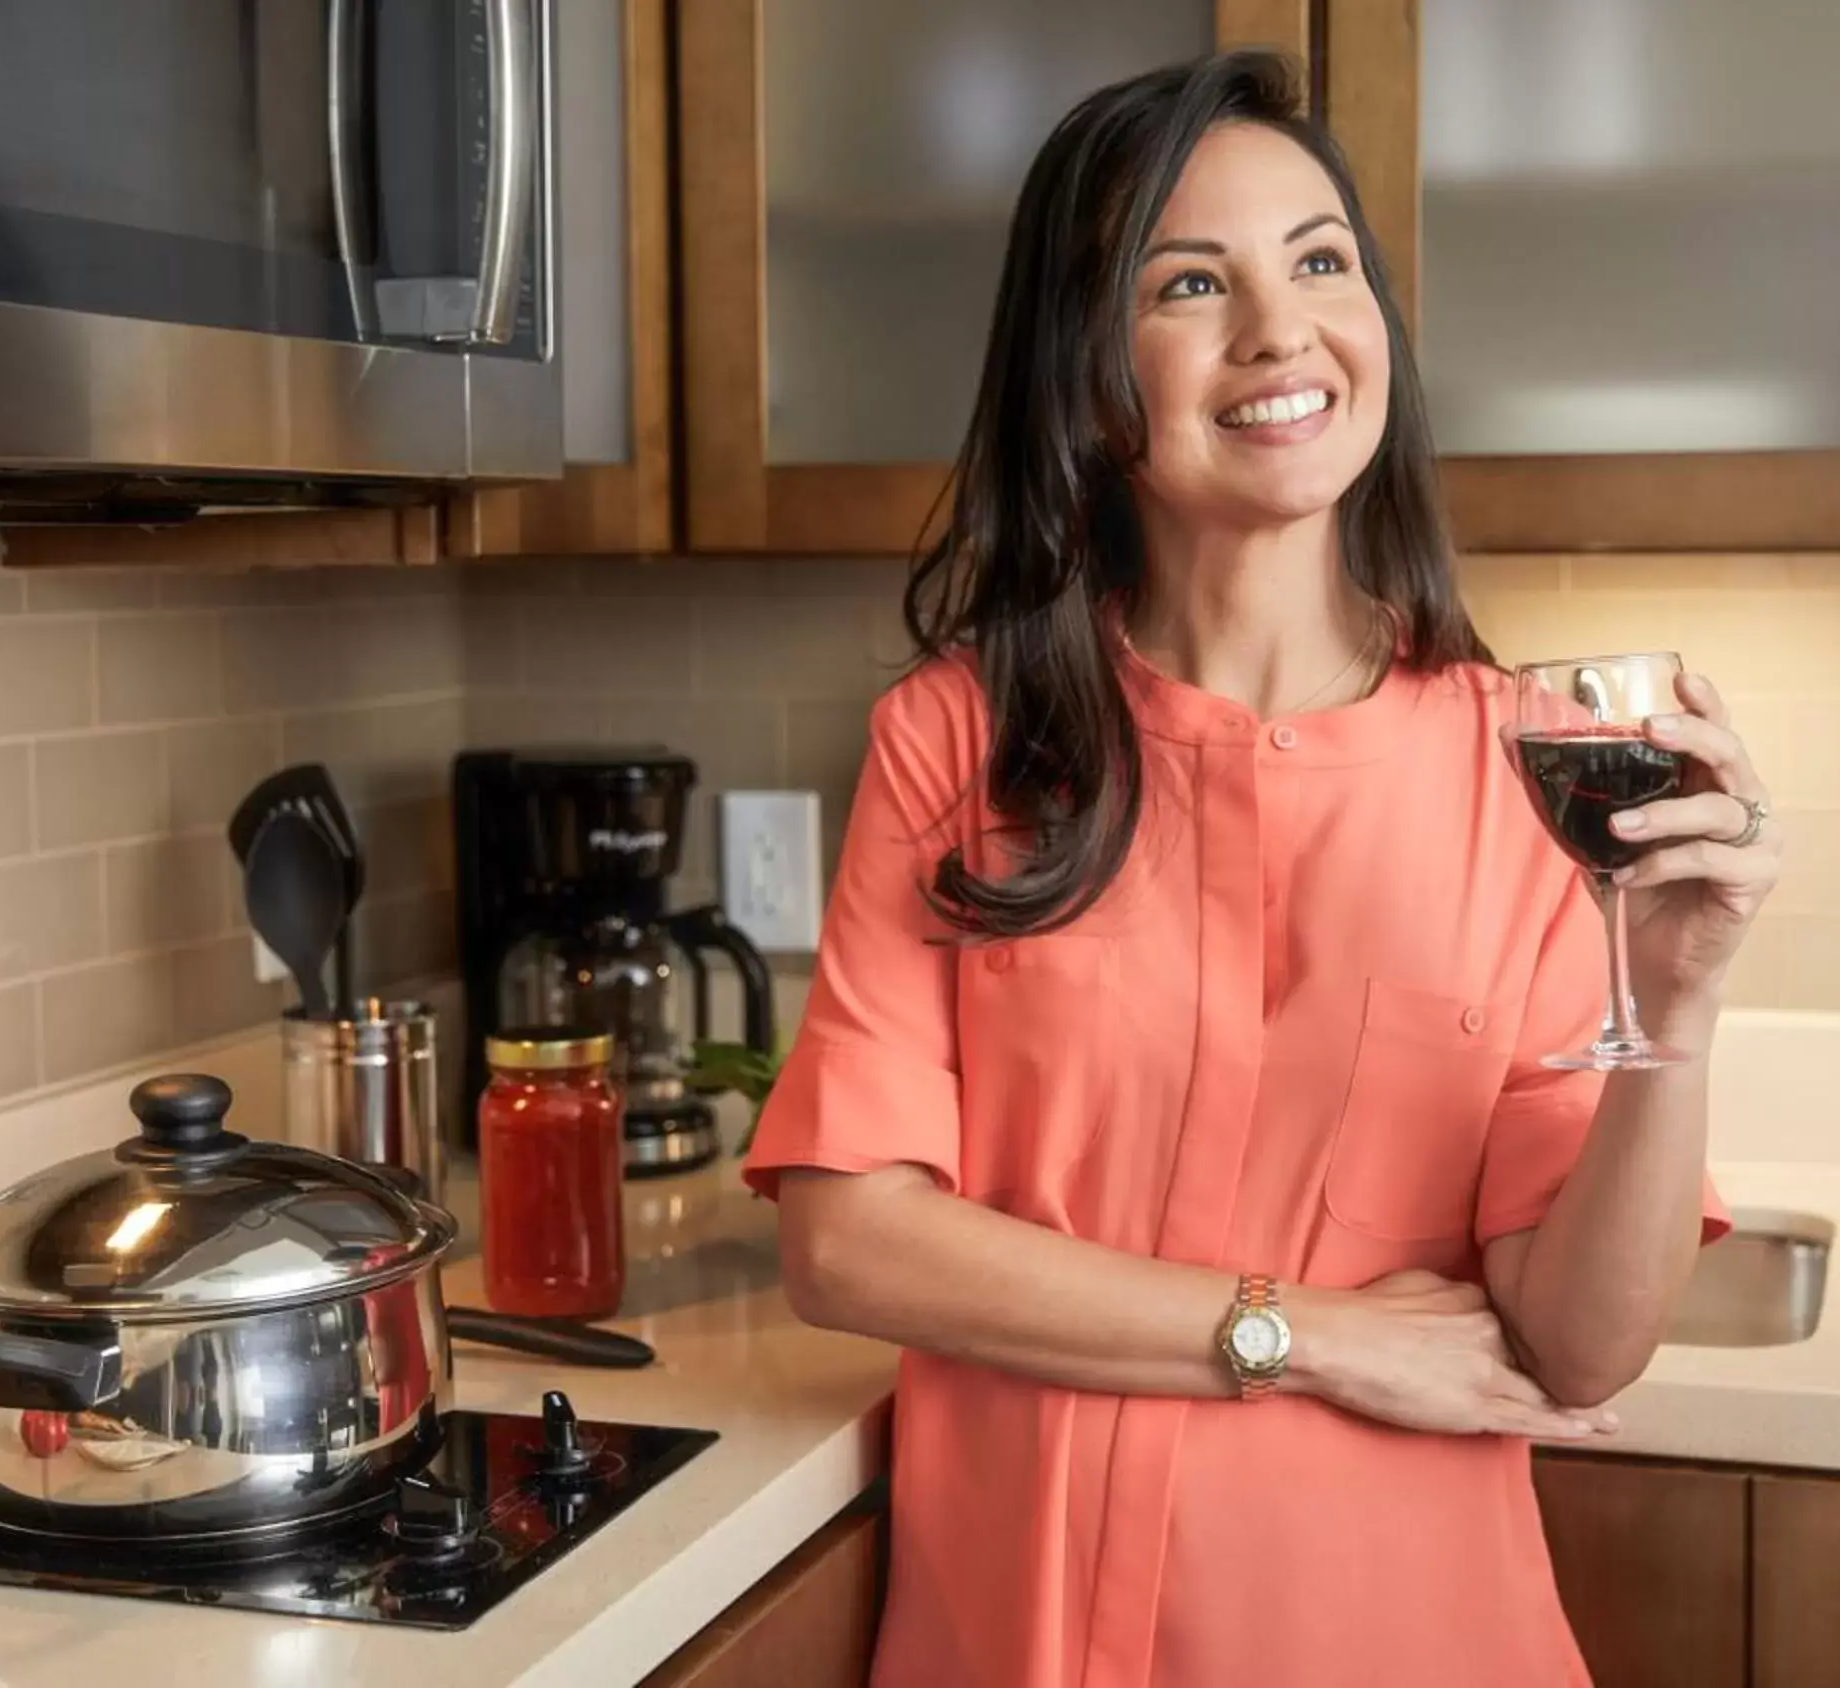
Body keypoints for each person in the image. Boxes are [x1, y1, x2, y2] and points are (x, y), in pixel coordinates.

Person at [742, 50, 1783, 1687]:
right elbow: (847, 1244)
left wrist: (1675, 1009)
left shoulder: (1525, 761)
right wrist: (1307, 1335)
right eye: (1189, 285)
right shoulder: (959, 741)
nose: (1280, 331)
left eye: (1319, 263)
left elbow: (1584, 1345)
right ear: (1089, 375)